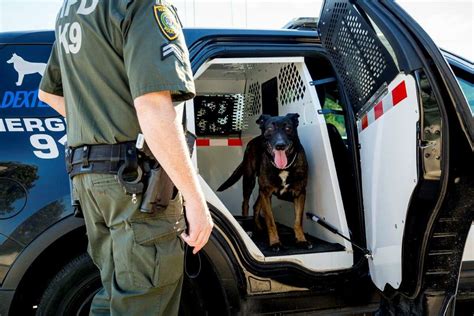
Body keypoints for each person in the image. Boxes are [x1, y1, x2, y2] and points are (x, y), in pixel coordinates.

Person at [38, 0, 214, 315]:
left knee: (115, 296)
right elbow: (153, 106)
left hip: (90, 181)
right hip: (133, 183)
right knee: (143, 303)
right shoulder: (143, 4)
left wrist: (100, 126)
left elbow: (49, 93)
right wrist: (194, 198)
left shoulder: (73, 9)